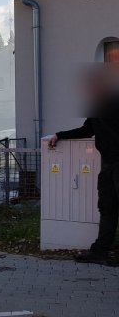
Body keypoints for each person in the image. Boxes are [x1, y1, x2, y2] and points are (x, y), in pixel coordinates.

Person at [48, 66, 119, 266]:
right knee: (107, 207)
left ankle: (102, 251)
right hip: (108, 163)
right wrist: (60, 135)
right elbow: (87, 130)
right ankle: (100, 251)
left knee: (109, 208)